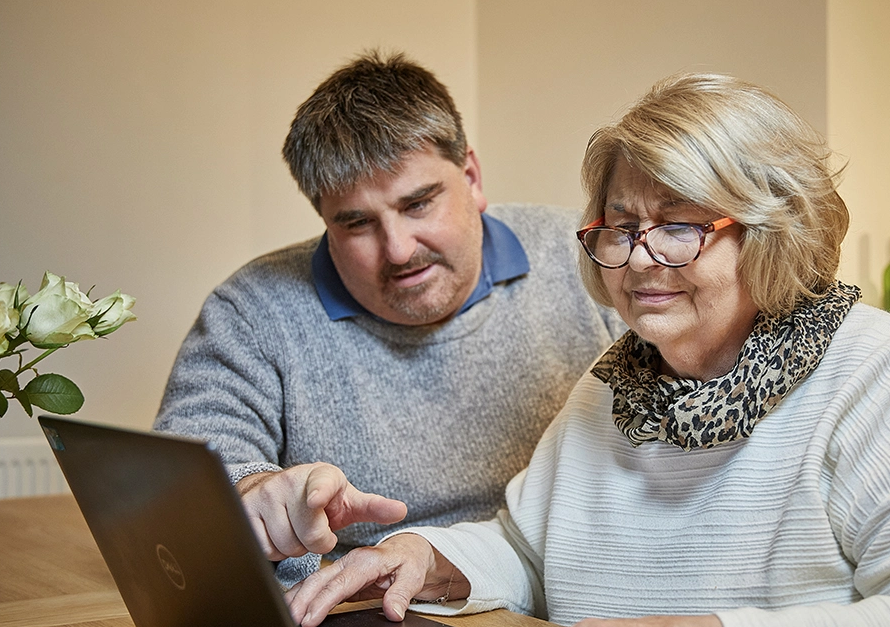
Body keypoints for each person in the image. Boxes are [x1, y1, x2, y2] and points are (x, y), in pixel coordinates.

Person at [283, 72, 890, 627]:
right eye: (620, 226)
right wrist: (426, 559)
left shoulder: (875, 369)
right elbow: (530, 551)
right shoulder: (616, 381)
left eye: (680, 225)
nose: (640, 256)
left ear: (771, 230)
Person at [153, 51, 620, 584]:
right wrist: (254, 496)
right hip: (356, 610)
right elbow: (186, 480)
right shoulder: (254, 309)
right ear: (324, 219)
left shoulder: (593, 259)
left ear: (470, 176)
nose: (398, 250)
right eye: (357, 224)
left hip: (548, 598)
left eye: (418, 204)